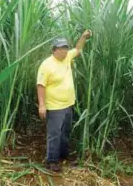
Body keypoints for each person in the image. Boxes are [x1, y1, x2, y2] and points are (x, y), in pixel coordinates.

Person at [36, 30, 92, 172]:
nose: (65, 51)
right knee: (54, 134)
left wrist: (83, 37)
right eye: (62, 48)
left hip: (68, 105)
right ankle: (52, 161)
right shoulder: (47, 65)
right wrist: (42, 105)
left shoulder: (67, 58)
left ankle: (63, 156)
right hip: (54, 107)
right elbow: (40, 85)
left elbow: (78, 49)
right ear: (54, 50)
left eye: (66, 48)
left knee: (65, 133)